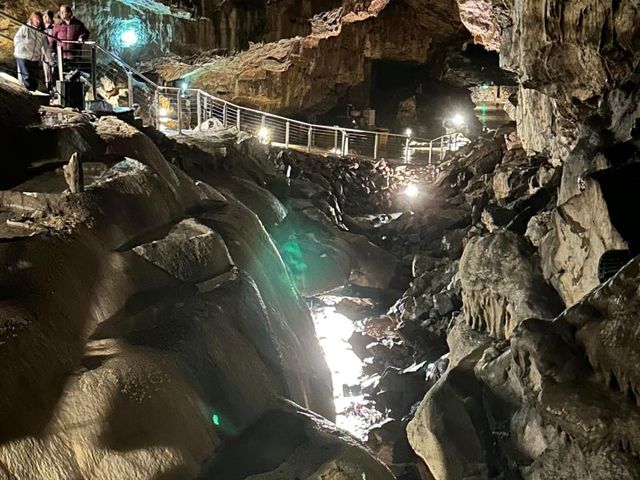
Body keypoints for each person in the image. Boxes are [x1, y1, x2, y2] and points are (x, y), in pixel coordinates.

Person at [13, 12, 51, 91]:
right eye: (36, 19)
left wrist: (50, 60)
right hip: (23, 56)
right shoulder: (25, 27)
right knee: (26, 79)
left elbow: (46, 47)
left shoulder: (41, 33)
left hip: (34, 59)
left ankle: (33, 96)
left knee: (34, 80)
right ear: (32, 19)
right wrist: (24, 44)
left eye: (39, 19)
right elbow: (16, 38)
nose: (38, 21)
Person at [52, 5, 89, 71]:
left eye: (63, 12)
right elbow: (53, 39)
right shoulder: (58, 25)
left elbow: (85, 33)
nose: (61, 14)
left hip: (74, 56)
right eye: (60, 12)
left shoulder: (77, 24)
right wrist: (53, 51)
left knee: (74, 76)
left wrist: (82, 37)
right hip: (61, 56)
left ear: (69, 13)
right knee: (62, 76)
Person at [42, 10, 55, 90]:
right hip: (44, 53)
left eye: (46, 16)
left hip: (52, 52)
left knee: (53, 73)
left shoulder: (54, 28)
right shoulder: (42, 29)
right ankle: (48, 90)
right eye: (44, 17)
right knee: (46, 74)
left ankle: (53, 90)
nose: (45, 18)